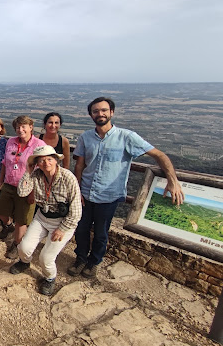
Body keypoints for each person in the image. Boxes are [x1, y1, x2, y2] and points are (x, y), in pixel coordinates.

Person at [69, 97, 185, 278]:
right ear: (91, 114)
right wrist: (76, 190)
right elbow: (79, 166)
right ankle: (80, 259)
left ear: (111, 112)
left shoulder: (126, 137)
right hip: (85, 193)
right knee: (81, 229)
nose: (100, 114)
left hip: (109, 196)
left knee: (101, 233)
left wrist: (172, 180)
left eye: (104, 110)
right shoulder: (85, 137)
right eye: (95, 111)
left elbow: (159, 154)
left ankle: (93, 263)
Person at [9, 146, 82, 295]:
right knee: (23, 247)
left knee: (46, 257)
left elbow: (76, 211)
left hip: (62, 222)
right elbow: (22, 192)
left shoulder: (68, 178)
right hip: (42, 218)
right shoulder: (36, 175)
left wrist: (62, 229)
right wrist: (28, 171)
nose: (46, 163)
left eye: (49, 159)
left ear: (56, 160)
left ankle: (50, 278)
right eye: (41, 160)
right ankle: (24, 263)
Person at [0, 116, 46, 256]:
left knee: (21, 220)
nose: (21, 129)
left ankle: (17, 245)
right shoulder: (11, 141)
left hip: (27, 188)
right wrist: (1, 181)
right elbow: (5, 163)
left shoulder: (38, 144)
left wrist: (33, 193)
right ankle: (8, 226)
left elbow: (42, 171)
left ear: (31, 127)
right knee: (0, 211)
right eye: (18, 127)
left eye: (24, 126)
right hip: (9, 184)